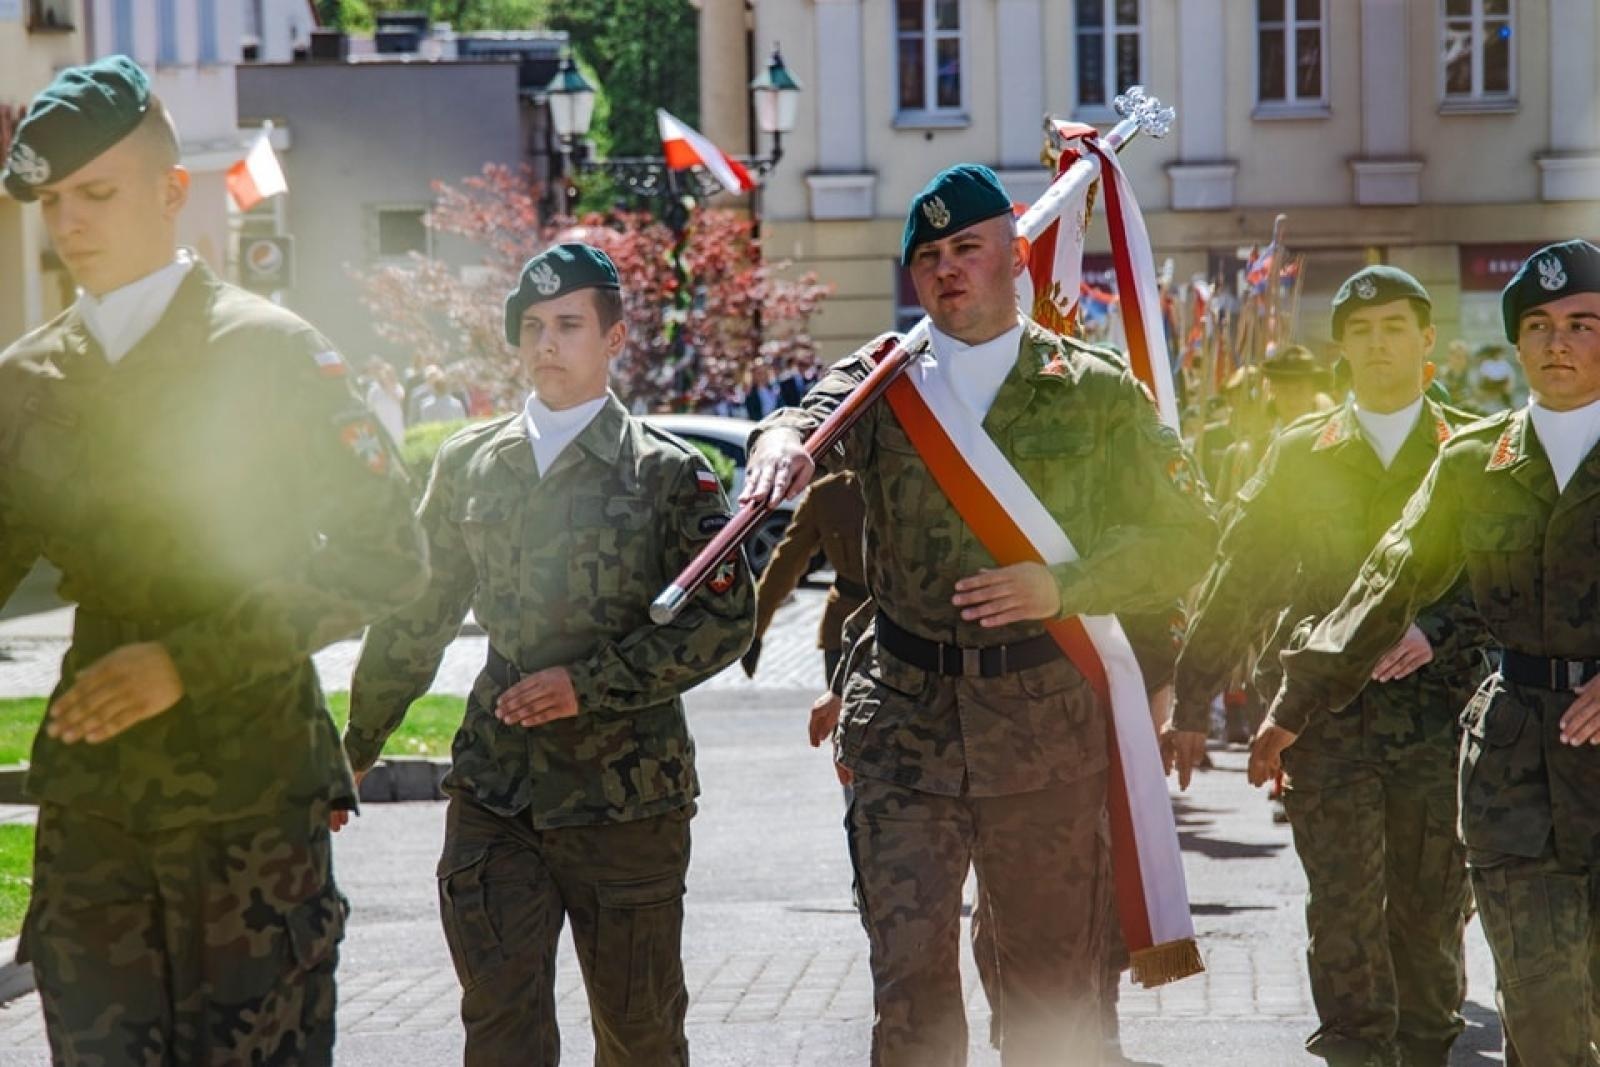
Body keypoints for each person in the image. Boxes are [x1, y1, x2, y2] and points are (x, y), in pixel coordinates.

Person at [0, 56, 429, 1063]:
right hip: (97, 817)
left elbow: (387, 555)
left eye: (96, 193)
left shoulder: (269, 353)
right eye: (54, 200)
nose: (71, 222)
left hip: (248, 809)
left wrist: (185, 660)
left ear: (171, 190)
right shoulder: (26, 381)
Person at [742, 163, 1217, 1065]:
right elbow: (802, 420)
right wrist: (777, 448)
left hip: (1043, 731)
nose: (946, 269)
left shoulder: (1093, 389)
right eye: (927, 257)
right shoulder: (886, 380)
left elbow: (1190, 535)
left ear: (1016, 253)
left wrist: (1063, 585)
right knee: (910, 993)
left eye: (966, 247)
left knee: (1048, 998)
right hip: (905, 730)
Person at [341, 242, 754, 1067]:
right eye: (531, 326)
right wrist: (353, 747)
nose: (546, 344)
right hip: (498, 790)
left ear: (615, 337)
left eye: (568, 324)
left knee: (640, 1040)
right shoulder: (469, 465)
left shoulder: (669, 476)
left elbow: (724, 620)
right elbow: (416, 618)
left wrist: (589, 683)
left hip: (627, 801)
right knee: (501, 1037)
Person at [1257, 240, 1600, 1067]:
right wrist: (1290, 707)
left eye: (1584, 324)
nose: (1560, 343)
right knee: (1542, 1013)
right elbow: (1383, 586)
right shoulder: (1472, 462)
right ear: (1514, 344)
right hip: (1514, 767)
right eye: (1541, 326)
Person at [1165, 266, 1490, 1067]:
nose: (1379, 346)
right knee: (1343, 912)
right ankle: (1354, 1047)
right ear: (1342, 349)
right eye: (1362, 332)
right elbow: (1242, 576)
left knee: (1429, 915)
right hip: (1326, 723)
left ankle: (1426, 1043)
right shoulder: (1302, 452)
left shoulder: (1479, 447)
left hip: (1440, 721)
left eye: (1394, 329)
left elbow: (1511, 577)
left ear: (1426, 344)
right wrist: (1191, 696)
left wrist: (1438, 628)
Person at [741, 470, 869, 687]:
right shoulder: (827, 495)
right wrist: (755, 630)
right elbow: (787, 561)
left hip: (906, 626)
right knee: (842, 715)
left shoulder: (913, 487)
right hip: (846, 626)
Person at [365, 356, 407, 443]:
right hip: (383, 431)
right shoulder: (373, 391)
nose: (384, 376)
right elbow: (370, 410)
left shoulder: (398, 388)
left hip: (398, 428)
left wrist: (388, 385)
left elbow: (401, 401)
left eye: (388, 374)